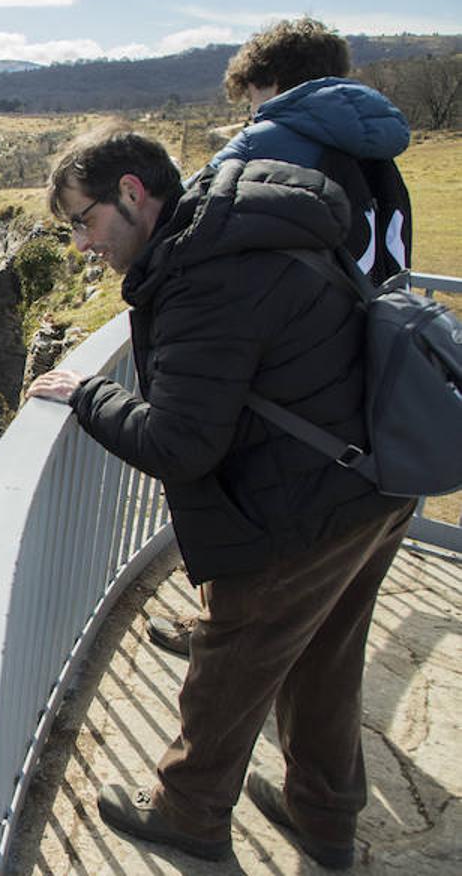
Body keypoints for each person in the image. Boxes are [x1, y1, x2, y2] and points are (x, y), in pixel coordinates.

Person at [28, 127, 415, 867]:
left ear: (133, 194)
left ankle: (187, 814)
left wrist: (90, 395)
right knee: (325, 659)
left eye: (84, 221)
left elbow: (179, 443)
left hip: (305, 507)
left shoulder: (204, 277)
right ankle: (324, 818)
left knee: (230, 663)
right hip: (373, 480)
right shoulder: (235, 228)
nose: (81, 243)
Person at [149, 17, 411, 659]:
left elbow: (186, 233)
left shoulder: (274, 142)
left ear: (270, 81)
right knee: (335, 615)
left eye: (250, 96)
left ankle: (224, 633)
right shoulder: (377, 150)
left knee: (255, 525)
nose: (248, 111)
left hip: (289, 386)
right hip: (366, 383)